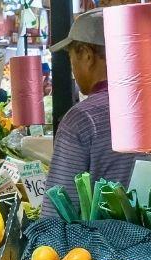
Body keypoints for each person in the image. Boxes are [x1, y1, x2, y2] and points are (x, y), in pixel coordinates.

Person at [42, 8, 140, 218]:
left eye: (72, 60)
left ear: (87, 55)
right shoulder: (143, 106)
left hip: (104, 248)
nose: (73, 71)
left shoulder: (82, 120)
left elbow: (54, 216)